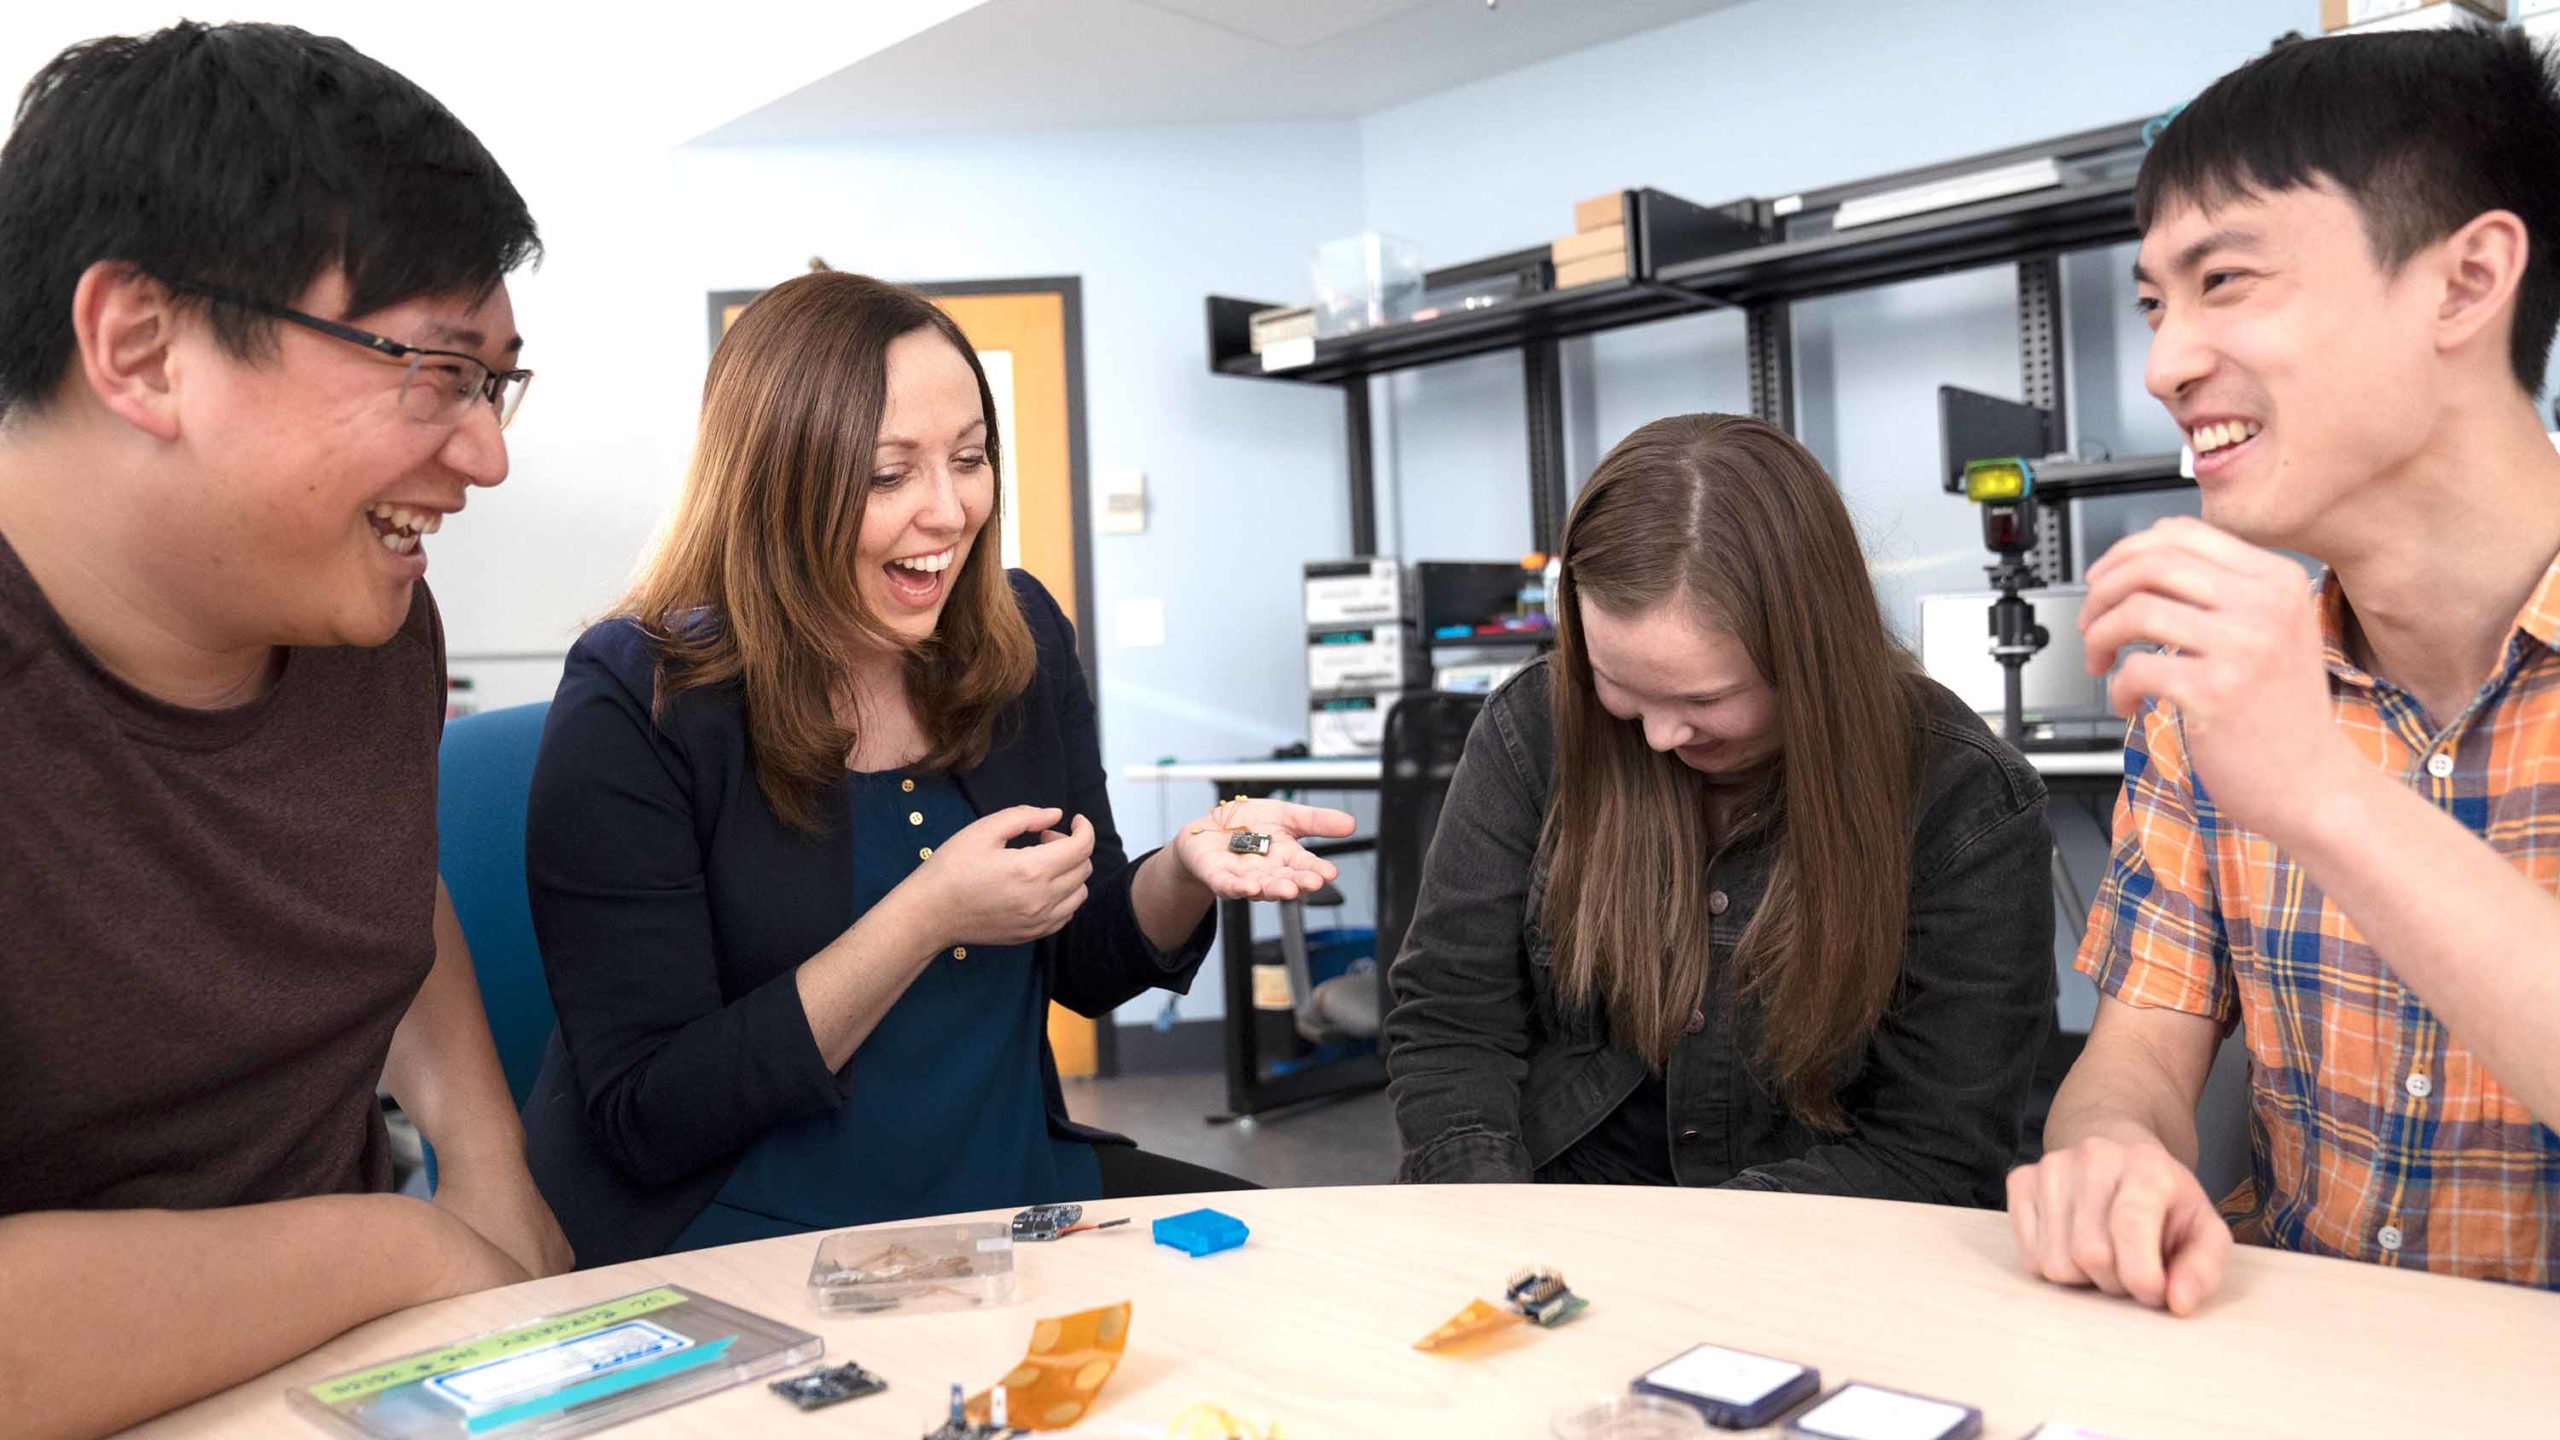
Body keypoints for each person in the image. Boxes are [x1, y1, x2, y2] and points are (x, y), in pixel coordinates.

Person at [522, 269, 1356, 1261]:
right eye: (888, 475)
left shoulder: (1018, 637)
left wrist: (1182, 868)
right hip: (748, 1231)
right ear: (775, 486)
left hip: (1005, 1194)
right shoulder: (638, 697)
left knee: (1295, 1284)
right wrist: (926, 916)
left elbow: (1086, 960)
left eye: (969, 459)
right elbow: (648, 1114)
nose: (949, 510)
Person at [0, 22, 569, 1437]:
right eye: (435, 369)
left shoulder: (359, 620)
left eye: (497, 380)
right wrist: (411, 1246)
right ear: (142, 347)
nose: (487, 453)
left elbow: (371, 866)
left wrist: (481, 1143)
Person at [2009, 28, 2560, 1315]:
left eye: (2226, 279)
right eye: (2155, 302)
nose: (2163, 364)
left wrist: (2319, 791)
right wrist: (2112, 1160)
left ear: (2465, 279)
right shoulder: (2221, 679)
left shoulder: (2262, 711)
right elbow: (2136, 1054)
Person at [1385, 413, 2056, 1199]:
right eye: (1623, 690)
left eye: (1706, 698)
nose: (1663, 737)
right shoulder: (1534, 726)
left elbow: (1934, 1152)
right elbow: (1451, 1022)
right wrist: (1489, 1210)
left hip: (1811, 1241)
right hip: (1552, 1206)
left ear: (1812, 656)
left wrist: (1687, 1253)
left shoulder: (1966, 800)